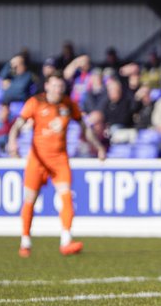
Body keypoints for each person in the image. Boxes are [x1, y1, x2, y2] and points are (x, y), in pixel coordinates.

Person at [7, 72, 106, 257]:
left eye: (60, 86)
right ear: (47, 86)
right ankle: (25, 241)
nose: (58, 90)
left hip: (59, 159)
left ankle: (66, 240)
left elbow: (85, 128)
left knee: (67, 197)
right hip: (37, 160)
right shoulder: (35, 102)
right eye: (54, 86)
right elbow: (17, 125)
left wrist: (99, 147)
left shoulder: (68, 105)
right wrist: (12, 141)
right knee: (30, 200)